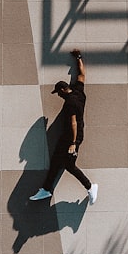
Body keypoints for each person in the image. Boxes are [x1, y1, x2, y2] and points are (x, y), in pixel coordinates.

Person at [30, 49, 98, 205]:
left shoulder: (70, 103)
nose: (58, 96)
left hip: (74, 137)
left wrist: (73, 143)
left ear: (62, 90)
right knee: (55, 161)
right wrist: (78, 58)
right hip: (67, 136)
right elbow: (81, 75)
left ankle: (90, 186)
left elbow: (73, 122)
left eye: (58, 93)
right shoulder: (78, 91)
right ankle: (46, 190)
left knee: (69, 164)